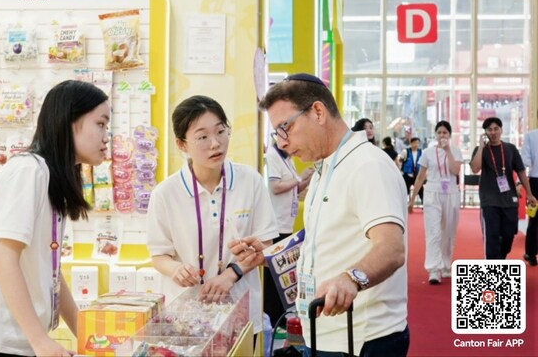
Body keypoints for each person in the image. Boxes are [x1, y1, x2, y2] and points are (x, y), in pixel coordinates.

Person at [230, 73, 409, 356]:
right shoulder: (323, 169)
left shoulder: (367, 165)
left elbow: (391, 248)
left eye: (285, 127)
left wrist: (351, 278)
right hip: (325, 332)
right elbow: (320, 241)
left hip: (361, 338)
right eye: (277, 133)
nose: (282, 142)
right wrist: (267, 255)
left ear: (318, 112)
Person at [0, 80, 111, 357]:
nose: (106, 137)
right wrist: (41, 342)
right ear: (68, 122)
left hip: (11, 342)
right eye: (100, 124)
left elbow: (50, 271)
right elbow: (4, 261)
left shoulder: (48, 177)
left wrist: (88, 336)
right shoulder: (29, 172)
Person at [146, 95, 278, 336]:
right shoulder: (165, 194)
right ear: (182, 144)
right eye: (202, 137)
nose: (215, 143)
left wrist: (231, 274)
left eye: (220, 131)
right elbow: (159, 255)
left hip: (241, 312)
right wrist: (176, 269)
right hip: (186, 317)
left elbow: (266, 245)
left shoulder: (250, 181)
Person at [470, 117, 536, 260]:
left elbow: (521, 172)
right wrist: (481, 147)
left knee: (508, 234)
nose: (493, 132)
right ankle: (493, 267)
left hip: (509, 200)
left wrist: (529, 194)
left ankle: (501, 257)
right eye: (489, 130)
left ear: (501, 130)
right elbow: (475, 169)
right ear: (485, 132)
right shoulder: (481, 150)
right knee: (492, 236)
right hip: (489, 201)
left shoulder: (510, 149)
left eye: (496, 129)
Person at [263, 141, 314, 326]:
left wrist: (307, 179)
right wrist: (300, 178)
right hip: (275, 225)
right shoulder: (272, 156)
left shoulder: (287, 159)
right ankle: (273, 317)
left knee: (282, 274)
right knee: (273, 275)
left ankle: (280, 315)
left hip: (286, 224)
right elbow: (276, 187)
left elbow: (293, 188)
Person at [408, 121, 462, 284]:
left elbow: (455, 171)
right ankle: (433, 269)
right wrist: (412, 199)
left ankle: (446, 265)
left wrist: (448, 151)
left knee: (448, 232)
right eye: (439, 132)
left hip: (450, 193)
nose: (442, 135)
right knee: (433, 232)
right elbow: (420, 176)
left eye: (445, 132)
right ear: (435, 134)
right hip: (432, 193)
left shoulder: (456, 151)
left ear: (450, 135)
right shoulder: (427, 152)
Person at [520, 128, 538, 266]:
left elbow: (525, 160)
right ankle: (531, 253)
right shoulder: (530, 136)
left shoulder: (531, 136)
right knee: (534, 217)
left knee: (534, 219)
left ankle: (531, 254)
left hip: (535, 181)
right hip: (535, 181)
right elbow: (524, 160)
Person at [400, 137, 424, 203]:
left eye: (417, 143)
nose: (416, 145)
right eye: (415, 143)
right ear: (411, 143)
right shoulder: (405, 152)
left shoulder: (421, 152)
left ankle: (424, 204)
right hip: (407, 175)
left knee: (421, 191)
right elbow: (400, 160)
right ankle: (405, 204)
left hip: (417, 175)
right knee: (405, 191)